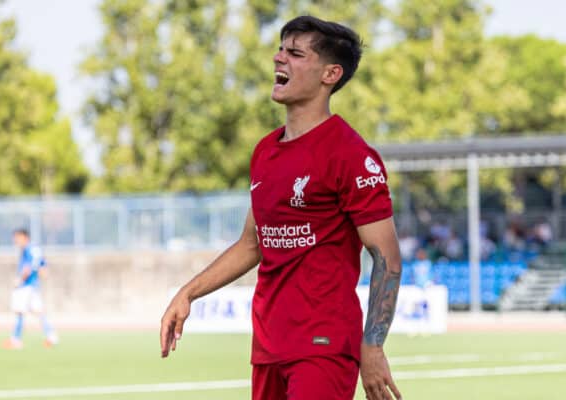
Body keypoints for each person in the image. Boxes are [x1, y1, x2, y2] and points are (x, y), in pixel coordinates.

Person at [160, 16, 402, 400]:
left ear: (330, 74)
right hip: (268, 345)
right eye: (279, 50)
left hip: (323, 345)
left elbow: (386, 256)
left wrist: (372, 345)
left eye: (294, 53)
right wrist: (188, 293)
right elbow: (251, 245)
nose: (278, 59)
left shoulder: (351, 154)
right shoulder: (265, 152)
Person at [3, 229, 58, 349]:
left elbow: (31, 266)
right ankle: (51, 337)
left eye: (17, 238)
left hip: (26, 286)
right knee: (39, 312)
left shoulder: (30, 249)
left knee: (19, 312)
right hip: (33, 286)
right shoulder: (33, 249)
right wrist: (44, 270)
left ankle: (15, 340)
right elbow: (42, 263)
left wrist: (20, 279)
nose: (15, 241)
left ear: (24, 237)